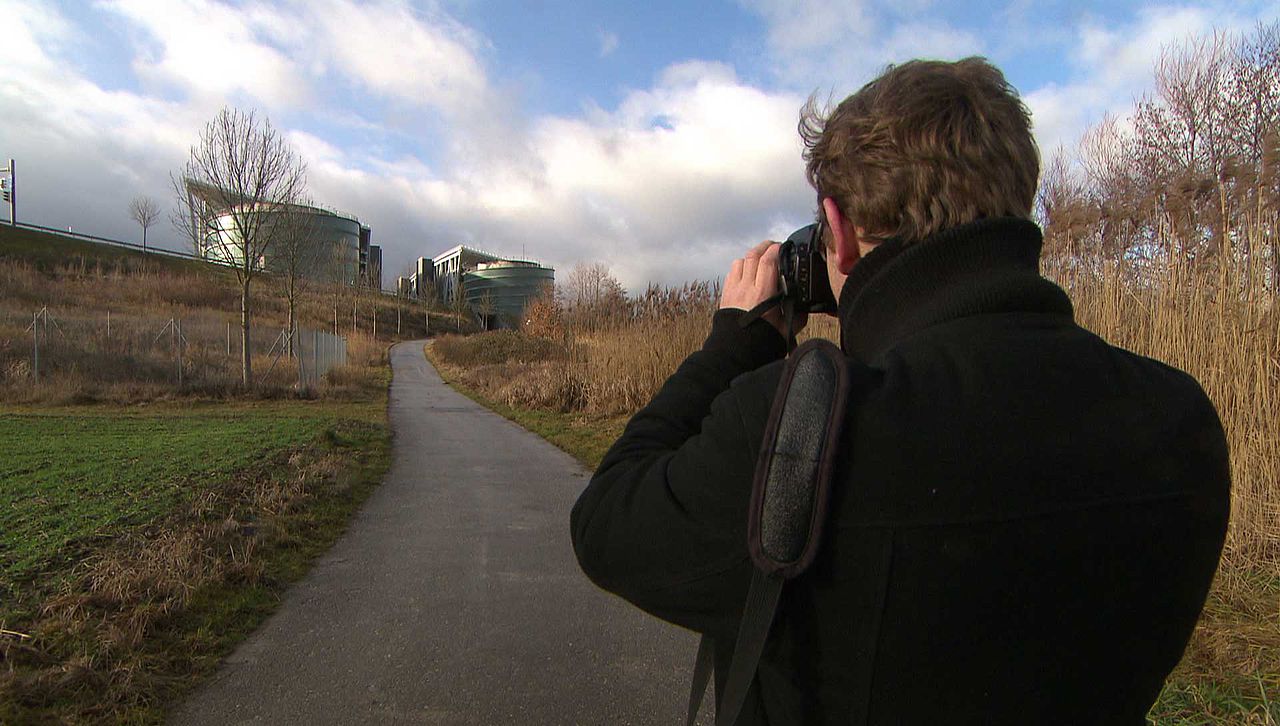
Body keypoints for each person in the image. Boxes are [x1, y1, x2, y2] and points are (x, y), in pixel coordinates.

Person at [569, 57, 1230, 725]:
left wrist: (736, 342)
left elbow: (608, 526)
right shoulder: (1178, 416)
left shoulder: (806, 426)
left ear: (842, 228)